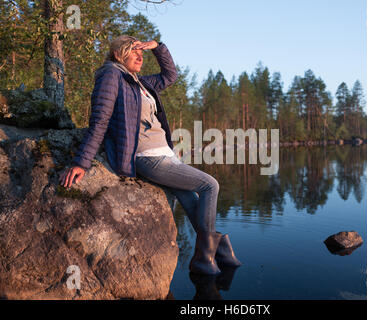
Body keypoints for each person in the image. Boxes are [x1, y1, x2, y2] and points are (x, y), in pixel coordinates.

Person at [58, 35, 242, 275]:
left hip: (165, 155)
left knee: (189, 199)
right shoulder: (112, 75)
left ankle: (219, 249)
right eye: (133, 51)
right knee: (210, 185)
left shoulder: (139, 82)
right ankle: (204, 258)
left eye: (141, 53)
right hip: (147, 157)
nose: (139, 56)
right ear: (117, 54)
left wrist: (158, 47)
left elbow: (170, 76)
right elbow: (100, 121)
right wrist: (81, 162)